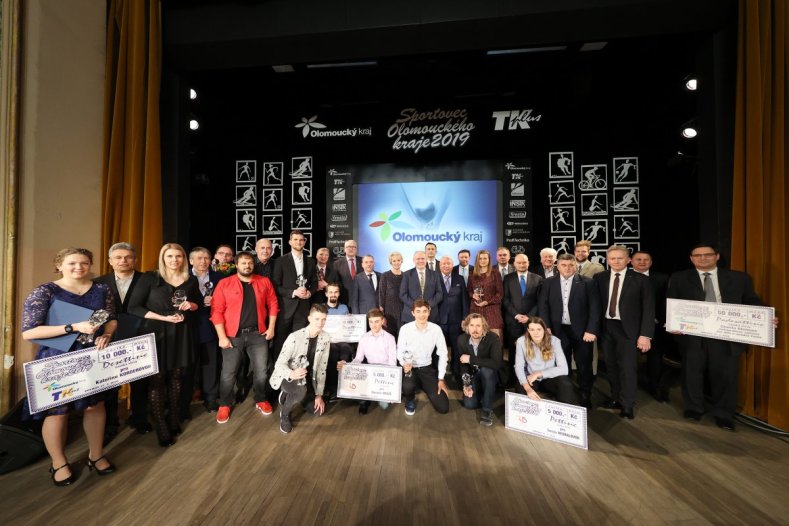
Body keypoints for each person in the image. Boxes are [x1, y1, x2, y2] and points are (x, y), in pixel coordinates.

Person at [22, 248, 118, 485]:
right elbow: (29, 332)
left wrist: (107, 333)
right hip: (57, 358)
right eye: (72, 263)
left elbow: (111, 318)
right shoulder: (45, 291)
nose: (79, 267)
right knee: (58, 412)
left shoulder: (101, 289)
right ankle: (58, 463)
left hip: (92, 356)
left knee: (95, 406)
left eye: (84, 263)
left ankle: (96, 456)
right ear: (59, 265)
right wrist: (73, 327)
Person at [666, 244, 779, 431]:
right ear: (691, 258)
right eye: (698, 255)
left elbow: (751, 300)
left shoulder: (739, 278)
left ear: (717, 256)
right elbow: (672, 303)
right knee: (691, 374)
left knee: (726, 376)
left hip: (726, 336)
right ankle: (694, 409)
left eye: (708, 255)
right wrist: (672, 323)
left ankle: (724, 414)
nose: (703, 258)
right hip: (693, 334)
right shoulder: (679, 278)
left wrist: (764, 318)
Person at [128, 243, 200, 447]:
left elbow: (198, 304)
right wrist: (163, 318)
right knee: (157, 380)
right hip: (156, 333)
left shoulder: (190, 280)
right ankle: (160, 424)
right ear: (163, 258)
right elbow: (134, 307)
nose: (174, 260)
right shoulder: (150, 278)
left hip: (181, 333)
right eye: (170, 256)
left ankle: (173, 418)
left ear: (184, 259)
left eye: (178, 256)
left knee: (177, 376)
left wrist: (191, 305)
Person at [210, 251, 279, 424]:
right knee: (228, 373)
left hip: (258, 335)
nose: (247, 266)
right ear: (236, 265)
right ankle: (225, 404)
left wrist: (271, 328)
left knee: (262, 372)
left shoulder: (264, 282)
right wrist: (222, 337)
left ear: (253, 264)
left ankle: (261, 399)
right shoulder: (225, 283)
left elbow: (273, 305)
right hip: (232, 336)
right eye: (243, 263)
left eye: (249, 263)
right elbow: (216, 311)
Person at [593, 245, 654, 419]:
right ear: (607, 259)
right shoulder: (600, 278)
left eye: (620, 258)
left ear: (628, 260)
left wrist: (645, 335)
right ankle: (615, 398)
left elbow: (648, 309)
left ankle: (627, 404)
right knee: (611, 366)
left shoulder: (641, 279)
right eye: (612, 258)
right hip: (606, 328)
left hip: (629, 331)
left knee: (628, 368)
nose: (616, 261)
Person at [93, 242, 146, 440]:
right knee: (110, 382)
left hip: (139, 334)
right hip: (110, 336)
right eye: (118, 257)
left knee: (140, 379)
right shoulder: (98, 283)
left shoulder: (147, 279)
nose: (123, 260)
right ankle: (110, 424)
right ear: (110, 261)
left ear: (135, 259)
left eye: (128, 257)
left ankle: (139, 418)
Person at [537, 254, 600, 408]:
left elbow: (595, 308)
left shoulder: (588, 283)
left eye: (571, 265)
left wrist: (591, 330)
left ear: (576, 266)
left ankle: (585, 394)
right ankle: (566, 393)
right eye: (564, 265)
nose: (567, 268)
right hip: (558, 331)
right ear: (557, 266)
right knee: (561, 363)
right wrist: (547, 327)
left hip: (583, 332)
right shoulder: (548, 283)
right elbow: (543, 306)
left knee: (584, 364)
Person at [270, 304, 332, 434]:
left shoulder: (326, 338)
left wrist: (318, 395)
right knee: (300, 390)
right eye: (317, 319)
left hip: (307, 379)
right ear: (309, 318)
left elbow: (322, 368)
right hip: (288, 376)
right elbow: (279, 364)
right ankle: (285, 414)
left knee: (316, 412)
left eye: (323, 319)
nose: (320, 323)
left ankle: (291, 395)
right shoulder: (294, 337)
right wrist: (291, 373)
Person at [337, 308, 397, 414]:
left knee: (384, 405)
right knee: (352, 387)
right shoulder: (364, 337)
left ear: (382, 321)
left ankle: (375, 396)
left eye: (377, 321)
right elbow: (358, 358)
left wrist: (391, 386)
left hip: (384, 372)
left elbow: (392, 363)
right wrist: (347, 366)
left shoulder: (390, 338)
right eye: (371, 322)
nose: (374, 325)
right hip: (369, 370)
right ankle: (364, 401)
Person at [188, 247, 225, 414]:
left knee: (210, 363)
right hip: (187, 326)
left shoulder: (220, 278)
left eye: (206, 258)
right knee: (189, 365)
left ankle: (210, 399)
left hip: (211, 325)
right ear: (191, 261)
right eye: (199, 258)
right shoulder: (183, 277)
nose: (203, 261)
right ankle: (186, 399)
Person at [631, 250, 671, 402]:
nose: (642, 262)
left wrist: (659, 319)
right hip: (629, 327)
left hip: (654, 326)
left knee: (655, 359)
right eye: (638, 259)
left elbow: (665, 302)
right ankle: (630, 389)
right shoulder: (623, 277)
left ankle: (655, 388)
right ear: (631, 261)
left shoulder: (662, 279)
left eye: (646, 259)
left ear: (651, 262)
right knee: (628, 360)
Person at [397, 300, 450, 415]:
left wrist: (441, 379)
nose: (422, 315)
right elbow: (399, 351)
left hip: (427, 368)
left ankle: (423, 385)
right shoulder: (405, 329)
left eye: (425, 311)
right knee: (407, 387)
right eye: (418, 311)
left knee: (443, 407)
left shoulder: (436, 329)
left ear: (429, 312)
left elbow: (443, 354)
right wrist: (404, 364)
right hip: (410, 368)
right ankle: (410, 399)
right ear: (412, 313)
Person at [271, 230, 316, 361]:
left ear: (305, 242)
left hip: (303, 309)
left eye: (301, 240)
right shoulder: (280, 261)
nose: (298, 242)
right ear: (290, 242)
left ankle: (297, 374)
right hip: (285, 309)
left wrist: (310, 293)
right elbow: (275, 285)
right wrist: (293, 292)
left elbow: (314, 283)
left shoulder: (311, 261)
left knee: (300, 342)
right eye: (295, 239)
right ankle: (278, 374)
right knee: (281, 342)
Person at [514, 317, 575, 405]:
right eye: (532, 329)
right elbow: (519, 367)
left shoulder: (554, 341)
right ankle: (525, 417)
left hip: (549, 378)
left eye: (539, 329)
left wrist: (538, 373)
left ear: (544, 329)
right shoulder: (521, 341)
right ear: (528, 330)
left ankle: (561, 414)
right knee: (520, 387)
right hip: (531, 378)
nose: (536, 333)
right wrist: (527, 388)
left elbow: (564, 369)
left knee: (566, 384)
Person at [456, 313, 503, 426]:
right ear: (467, 327)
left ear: (484, 327)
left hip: (490, 374)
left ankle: (487, 409)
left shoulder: (493, 338)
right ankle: (484, 393)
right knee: (469, 405)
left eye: (478, 325)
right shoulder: (462, 339)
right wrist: (466, 384)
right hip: (474, 375)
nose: (475, 329)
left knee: (487, 370)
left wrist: (471, 359)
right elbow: (463, 364)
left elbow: (496, 364)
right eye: (472, 325)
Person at [502, 254, 543, 351]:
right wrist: (516, 315)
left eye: (524, 262)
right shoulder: (508, 278)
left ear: (528, 263)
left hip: (532, 322)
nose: (522, 265)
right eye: (519, 263)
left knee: (532, 350)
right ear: (514, 264)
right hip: (513, 320)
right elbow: (505, 299)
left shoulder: (538, 279)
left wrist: (529, 316)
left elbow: (540, 300)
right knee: (513, 351)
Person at [437, 256, 469, 378]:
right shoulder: (434, 278)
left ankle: (456, 372)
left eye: (449, 264)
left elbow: (464, 300)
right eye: (444, 263)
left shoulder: (459, 278)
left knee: (457, 348)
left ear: (452, 265)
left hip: (456, 321)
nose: (446, 266)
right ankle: (440, 373)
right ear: (440, 265)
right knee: (440, 349)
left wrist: (464, 318)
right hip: (439, 321)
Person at [468, 249, 504, 339]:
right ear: (477, 260)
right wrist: (473, 295)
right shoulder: (472, 274)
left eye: (485, 258)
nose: (483, 261)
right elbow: (469, 291)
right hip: (476, 309)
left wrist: (487, 302)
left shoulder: (495, 273)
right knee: (477, 337)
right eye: (480, 258)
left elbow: (500, 293)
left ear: (489, 260)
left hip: (492, 310)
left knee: (495, 338)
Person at [399, 251, 443, 324]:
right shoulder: (407, 274)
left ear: (426, 260)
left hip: (431, 315)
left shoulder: (435, 274)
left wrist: (427, 305)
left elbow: (439, 293)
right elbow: (403, 294)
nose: (420, 261)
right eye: (418, 259)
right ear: (414, 260)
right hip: (411, 315)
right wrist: (416, 307)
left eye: (423, 258)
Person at [378, 251, 404, 336]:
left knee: (402, 335)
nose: (396, 262)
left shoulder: (405, 276)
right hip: (389, 312)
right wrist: (382, 316)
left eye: (398, 260)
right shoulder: (385, 275)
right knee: (390, 335)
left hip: (403, 311)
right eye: (394, 261)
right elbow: (381, 295)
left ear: (401, 261)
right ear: (391, 262)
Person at [333, 239, 363, 306]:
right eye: (348, 247)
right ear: (344, 249)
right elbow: (337, 281)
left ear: (356, 249)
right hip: (344, 300)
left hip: (361, 299)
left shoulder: (363, 261)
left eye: (353, 247)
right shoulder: (337, 264)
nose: (351, 249)